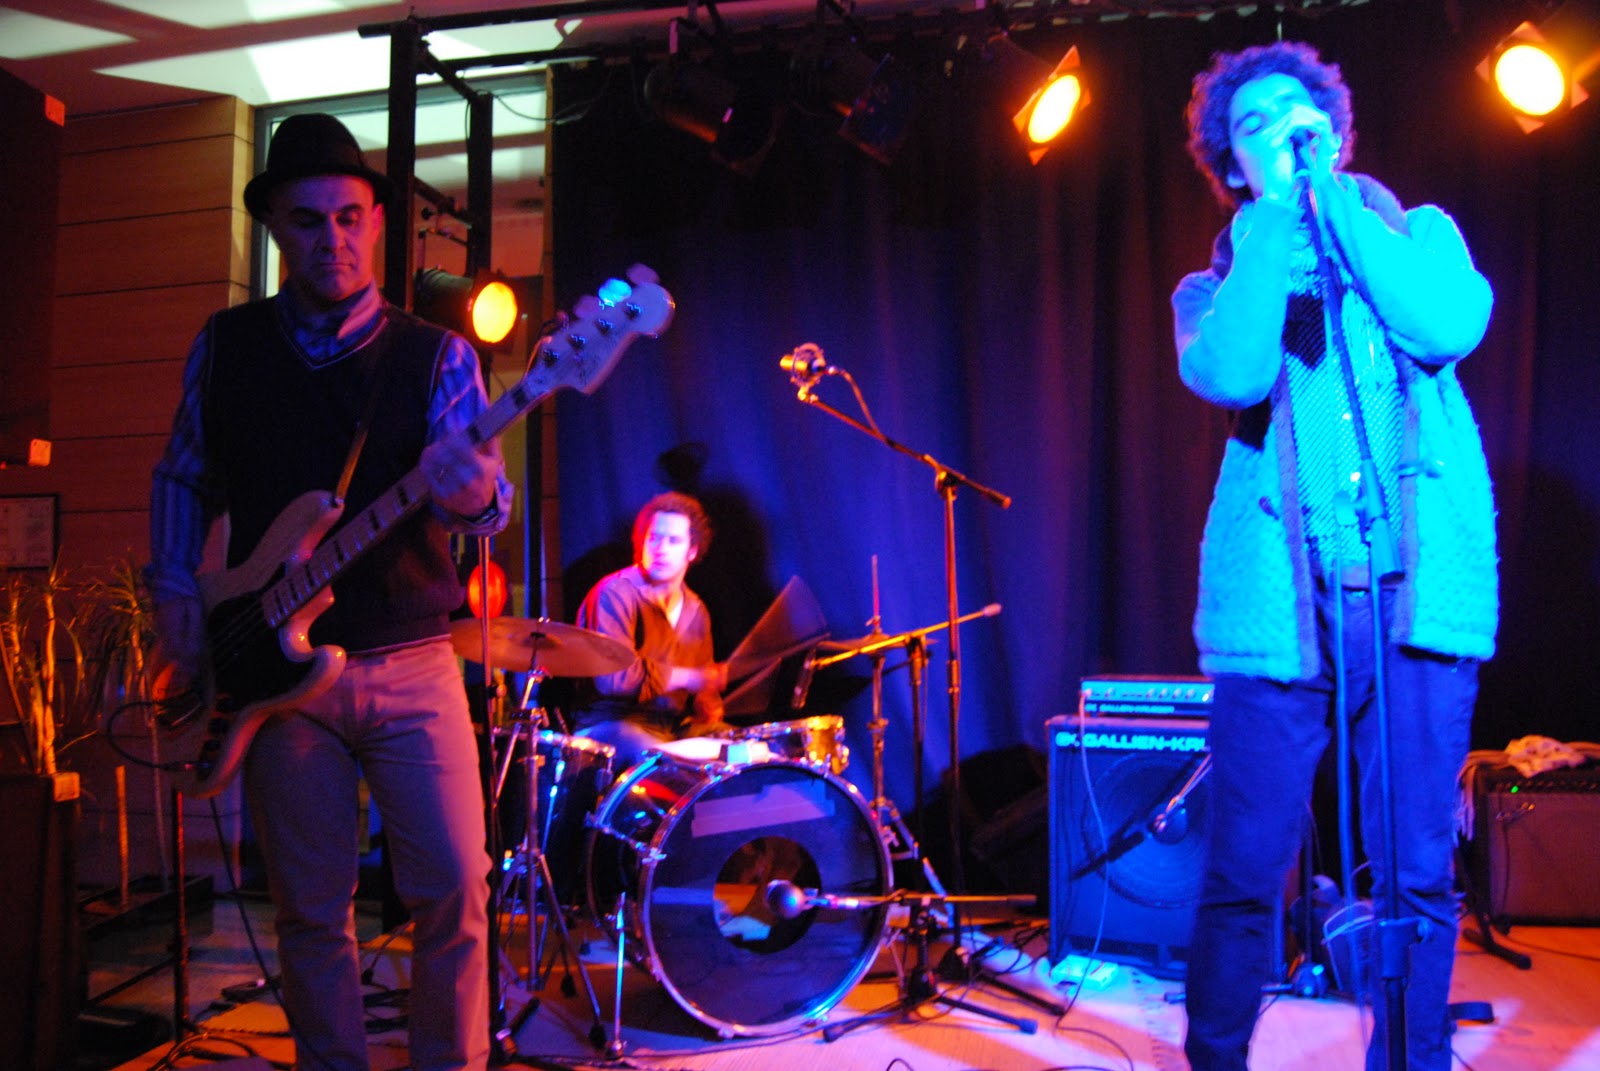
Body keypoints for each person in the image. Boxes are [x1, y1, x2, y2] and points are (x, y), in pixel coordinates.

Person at [146, 113, 512, 1071]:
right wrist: (177, 594)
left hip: (411, 663)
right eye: (308, 221)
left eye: (350, 218)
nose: (333, 240)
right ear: (274, 226)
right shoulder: (225, 346)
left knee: (456, 892)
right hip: (272, 679)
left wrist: (474, 493)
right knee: (310, 911)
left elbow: (486, 507)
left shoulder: (436, 355)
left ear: (378, 221)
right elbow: (183, 474)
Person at [1171, 42, 1497, 1071]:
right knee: (1243, 867)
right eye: (1252, 127)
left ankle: (1410, 1060)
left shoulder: (1415, 232)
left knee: (1415, 870)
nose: (1279, 131)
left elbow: (1446, 324)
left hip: (1410, 600)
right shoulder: (1212, 287)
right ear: (1231, 167)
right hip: (1282, 609)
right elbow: (1233, 374)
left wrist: (1340, 212)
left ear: (1333, 130)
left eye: (1294, 113)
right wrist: (1276, 219)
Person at [571, 492, 729, 769]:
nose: (660, 549)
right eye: (654, 538)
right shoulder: (615, 593)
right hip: (612, 726)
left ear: (692, 551)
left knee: (746, 749)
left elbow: (699, 690)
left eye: (673, 541)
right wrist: (688, 677)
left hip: (671, 727)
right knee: (663, 760)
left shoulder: (697, 610)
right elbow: (613, 679)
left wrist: (707, 700)